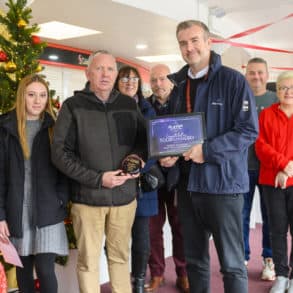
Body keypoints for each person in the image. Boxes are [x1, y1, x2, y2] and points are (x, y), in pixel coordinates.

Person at [160, 20, 259, 293]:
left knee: (232, 264)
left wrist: (208, 150)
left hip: (223, 186)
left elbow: (248, 131)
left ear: (208, 42)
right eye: (183, 42)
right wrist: (169, 155)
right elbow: (176, 132)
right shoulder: (178, 86)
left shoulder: (232, 81)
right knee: (195, 262)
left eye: (194, 40)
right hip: (188, 187)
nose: (189, 47)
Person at [51, 50, 147, 293]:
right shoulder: (73, 107)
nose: (105, 74)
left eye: (110, 69)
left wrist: (139, 159)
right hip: (88, 200)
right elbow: (60, 154)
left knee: (120, 258)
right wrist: (97, 179)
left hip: (124, 199)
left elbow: (144, 141)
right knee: (88, 263)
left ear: (116, 74)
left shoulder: (128, 105)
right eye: (99, 69)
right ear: (88, 72)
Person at [0, 74, 69, 293]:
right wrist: (0, 215)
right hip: (17, 211)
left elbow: (65, 170)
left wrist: (60, 198)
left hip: (48, 211)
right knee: (23, 270)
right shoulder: (5, 129)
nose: (38, 101)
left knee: (46, 269)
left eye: (42, 95)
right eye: (31, 95)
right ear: (22, 97)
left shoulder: (54, 128)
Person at [114, 65, 163, 293]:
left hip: (142, 183)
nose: (129, 82)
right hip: (115, 182)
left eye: (134, 78)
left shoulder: (148, 109)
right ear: (117, 81)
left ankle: (139, 281)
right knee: (116, 237)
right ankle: (120, 280)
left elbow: (155, 146)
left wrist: (142, 166)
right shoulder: (107, 108)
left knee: (142, 237)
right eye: (124, 78)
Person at [145, 64, 189, 293]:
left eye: (162, 79)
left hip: (177, 176)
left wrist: (177, 156)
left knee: (180, 227)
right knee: (153, 229)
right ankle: (157, 273)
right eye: (153, 80)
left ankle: (183, 273)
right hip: (151, 178)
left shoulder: (183, 103)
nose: (158, 84)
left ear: (171, 81)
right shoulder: (144, 106)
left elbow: (192, 136)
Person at [255, 71, 293, 293]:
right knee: (277, 230)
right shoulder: (266, 115)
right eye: (282, 88)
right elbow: (260, 145)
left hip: (289, 179)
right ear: (276, 91)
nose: (287, 92)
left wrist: (287, 170)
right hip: (272, 181)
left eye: (291, 87)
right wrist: (282, 165)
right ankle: (280, 275)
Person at [243, 57, 277, 279]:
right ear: (246, 75)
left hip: (268, 169)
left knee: (270, 216)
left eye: (260, 73)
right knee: (241, 215)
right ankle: (241, 257)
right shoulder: (239, 98)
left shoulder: (276, 98)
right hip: (242, 168)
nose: (256, 77)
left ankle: (269, 261)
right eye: (252, 73)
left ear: (267, 74)